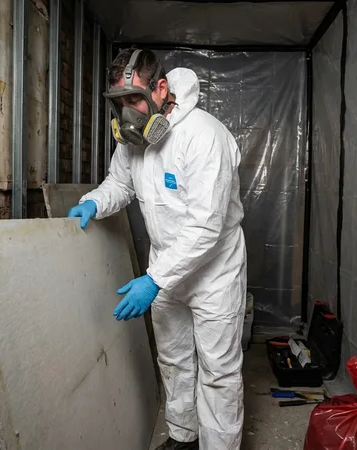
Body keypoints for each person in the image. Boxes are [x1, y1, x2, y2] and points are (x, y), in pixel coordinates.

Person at [67, 48, 247, 450]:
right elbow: (120, 183)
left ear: (160, 88)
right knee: (175, 360)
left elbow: (206, 227)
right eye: (119, 103)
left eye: (134, 99)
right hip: (165, 266)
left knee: (218, 371)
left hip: (214, 272)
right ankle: (184, 437)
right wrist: (96, 201)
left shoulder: (204, 136)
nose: (127, 112)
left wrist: (153, 279)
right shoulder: (134, 140)